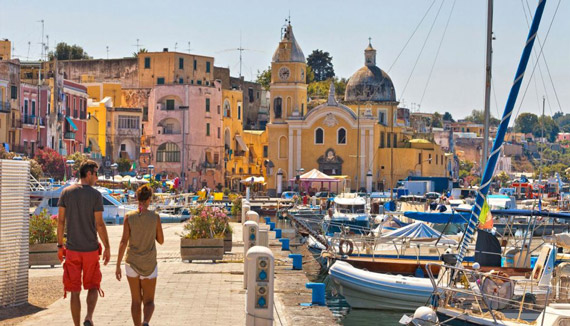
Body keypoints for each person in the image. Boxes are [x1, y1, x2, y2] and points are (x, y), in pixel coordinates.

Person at [57, 160, 111, 326]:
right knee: (93, 285)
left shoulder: (66, 192)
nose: (97, 177)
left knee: (74, 290)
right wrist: (107, 247)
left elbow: (60, 221)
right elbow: (100, 224)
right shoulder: (95, 196)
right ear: (88, 174)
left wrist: (60, 246)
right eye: (96, 174)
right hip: (90, 250)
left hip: (72, 249)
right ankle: (88, 317)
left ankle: (77, 325)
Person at [116, 185, 164, 326]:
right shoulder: (155, 217)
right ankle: (145, 322)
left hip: (132, 263)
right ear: (149, 199)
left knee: (135, 300)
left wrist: (118, 265)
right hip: (149, 263)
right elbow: (161, 241)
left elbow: (123, 242)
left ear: (137, 198)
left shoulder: (129, 217)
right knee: (149, 301)